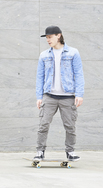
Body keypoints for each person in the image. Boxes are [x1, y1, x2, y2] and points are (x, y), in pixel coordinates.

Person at [34, 26, 85, 162]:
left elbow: (79, 74)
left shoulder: (73, 53)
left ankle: (70, 152)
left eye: (50, 37)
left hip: (68, 97)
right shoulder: (44, 55)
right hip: (49, 96)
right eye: (46, 38)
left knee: (70, 125)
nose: (48, 40)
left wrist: (79, 94)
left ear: (59, 36)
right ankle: (40, 151)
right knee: (43, 124)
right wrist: (39, 97)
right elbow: (40, 77)